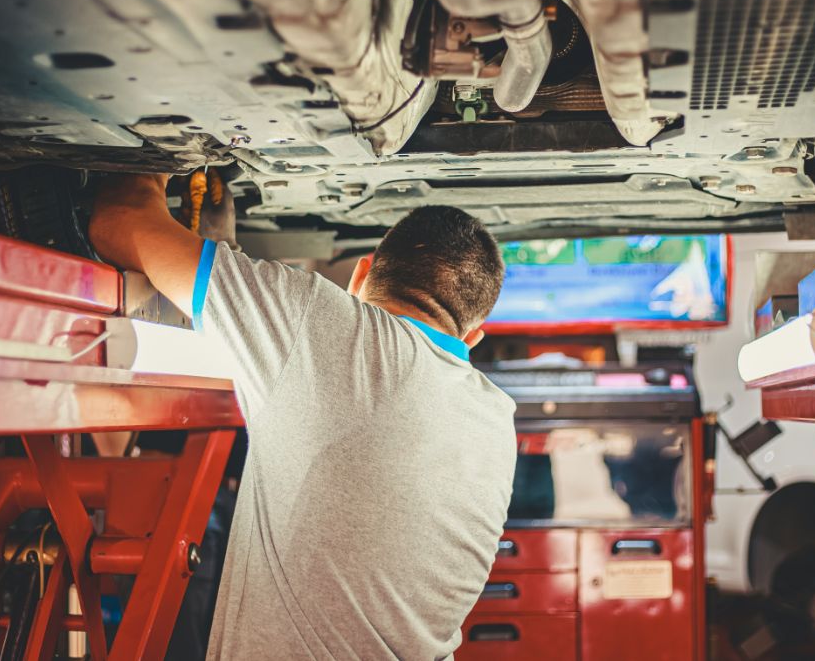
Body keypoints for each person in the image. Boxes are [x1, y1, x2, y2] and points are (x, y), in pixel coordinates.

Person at [89, 173, 516, 660]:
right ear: (472, 338)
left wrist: (155, 162)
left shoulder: (326, 326)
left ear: (360, 276)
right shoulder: (497, 420)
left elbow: (119, 221)